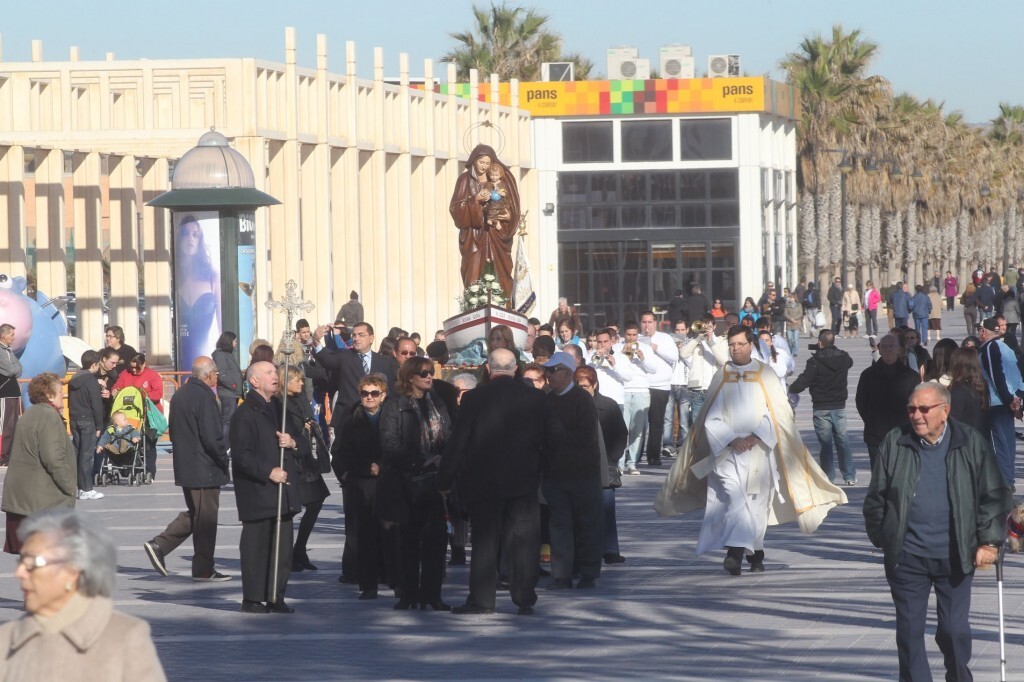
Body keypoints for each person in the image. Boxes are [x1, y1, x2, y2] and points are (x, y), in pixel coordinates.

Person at [655, 326, 847, 574]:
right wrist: (732, 439)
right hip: (726, 454)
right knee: (734, 496)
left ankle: (750, 554)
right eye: (732, 344)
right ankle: (741, 553)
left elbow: (778, 413)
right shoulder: (722, 374)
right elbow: (709, 416)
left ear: (750, 345)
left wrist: (756, 437)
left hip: (758, 453)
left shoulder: (764, 374)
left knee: (755, 505)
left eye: (740, 344)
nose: (736, 349)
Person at [863, 382, 1011, 682]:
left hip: (957, 552)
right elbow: (876, 497)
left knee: (954, 631)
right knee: (908, 631)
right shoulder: (896, 441)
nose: (916, 415)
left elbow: (994, 495)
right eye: (911, 409)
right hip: (908, 556)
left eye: (923, 409)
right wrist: (885, 536)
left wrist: (990, 541)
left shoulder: (970, 442)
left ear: (945, 411)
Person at [0, 509, 166, 680]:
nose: (19, 572)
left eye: (33, 562)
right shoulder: (6, 639)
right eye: (21, 561)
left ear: (72, 571)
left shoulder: (125, 638)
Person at [441, 349, 547, 616]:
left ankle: (482, 599)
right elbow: (551, 437)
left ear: (488, 369)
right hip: (523, 481)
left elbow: (459, 440)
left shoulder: (474, 398)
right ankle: (524, 598)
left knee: (485, 542)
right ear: (516, 369)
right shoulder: (535, 397)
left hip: (484, 481)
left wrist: (445, 477)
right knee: (522, 540)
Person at [143, 357, 231, 582]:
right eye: (216, 373)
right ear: (209, 374)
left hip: (188, 465)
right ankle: (202, 568)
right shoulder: (204, 396)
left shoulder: (181, 394)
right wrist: (223, 459)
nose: (217, 377)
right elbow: (212, 436)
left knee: (198, 515)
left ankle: (160, 546)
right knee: (206, 519)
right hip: (204, 468)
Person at [378, 356, 452, 611]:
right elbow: (389, 446)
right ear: (410, 377)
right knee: (407, 541)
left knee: (436, 541)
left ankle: (433, 594)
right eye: (423, 373)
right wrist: (423, 460)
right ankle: (408, 594)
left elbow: (448, 437)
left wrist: (443, 459)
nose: (429, 376)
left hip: (433, 484)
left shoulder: (437, 403)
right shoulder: (394, 406)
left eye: (431, 372)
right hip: (405, 483)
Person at [230, 361, 302, 614]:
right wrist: (267, 471)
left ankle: (276, 595)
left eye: (275, 371)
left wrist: (292, 441)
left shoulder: (280, 408)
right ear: (255, 381)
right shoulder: (244, 413)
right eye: (269, 373)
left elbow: (300, 441)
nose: (275, 376)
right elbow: (241, 455)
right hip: (258, 491)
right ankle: (252, 598)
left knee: (282, 548)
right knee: (256, 548)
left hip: (283, 490)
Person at [541, 352, 603, 589]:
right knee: (559, 526)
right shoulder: (547, 399)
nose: (548, 376)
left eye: (553, 371)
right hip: (555, 475)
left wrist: (560, 434)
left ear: (567, 373)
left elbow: (587, 437)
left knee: (588, 524)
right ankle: (562, 575)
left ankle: (588, 572)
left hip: (582, 474)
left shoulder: (582, 400)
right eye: (547, 371)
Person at [1, 373, 76, 555]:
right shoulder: (48, 416)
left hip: (24, 501)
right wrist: (70, 487)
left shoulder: (30, 413)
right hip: (42, 503)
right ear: (49, 395)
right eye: (60, 392)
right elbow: (53, 458)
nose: (63, 395)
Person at [336, 374, 390, 600]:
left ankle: (393, 578)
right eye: (365, 393)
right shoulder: (351, 421)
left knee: (389, 532)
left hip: (388, 484)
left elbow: (400, 446)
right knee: (364, 534)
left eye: (374, 393)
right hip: (361, 484)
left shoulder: (392, 418)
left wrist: (384, 467)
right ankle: (368, 584)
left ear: (383, 395)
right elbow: (340, 453)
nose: (369, 397)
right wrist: (354, 472)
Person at [449, 144, 520, 296]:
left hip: (496, 234)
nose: (484, 167)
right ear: (474, 160)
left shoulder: (499, 180)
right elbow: (455, 208)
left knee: (500, 272)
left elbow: (511, 205)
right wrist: (475, 200)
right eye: (481, 162)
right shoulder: (464, 180)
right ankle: (474, 303)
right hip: (474, 236)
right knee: (474, 274)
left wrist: (508, 217)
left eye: (488, 163)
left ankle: (501, 302)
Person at [279, 364, 331, 572]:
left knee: (316, 501)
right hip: (293, 461)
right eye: (297, 380)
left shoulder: (299, 399)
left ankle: (299, 549)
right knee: (291, 508)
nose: (302, 383)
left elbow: (308, 416)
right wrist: (302, 428)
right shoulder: (279, 403)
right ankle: (287, 554)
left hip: (307, 460)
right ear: (285, 382)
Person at [574, 366, 628, 566]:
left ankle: (611, 549)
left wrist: (613, 457)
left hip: (606, 466)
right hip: (580, 466)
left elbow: (621, 433)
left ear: (594, 384)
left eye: (585, 386)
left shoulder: (608, 405)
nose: (582, 390)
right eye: (578, 386)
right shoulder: (573, 405)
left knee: (607, 508)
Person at [788, 330, 857, 486]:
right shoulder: (843, 358)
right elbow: (850, 362)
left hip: (821, 407)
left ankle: (828, 477)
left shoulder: (814, 361)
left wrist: (791, 389)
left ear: (820, 343)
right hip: (839, 405)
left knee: (826, 444)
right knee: (842, 440)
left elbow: (803, 381)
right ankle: (849, 475)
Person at [855, 334, 920, 470]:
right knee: (879, 477)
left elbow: (917, 403)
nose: (888, 350)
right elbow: (861, 402)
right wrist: (871, 421)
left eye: (892, 346)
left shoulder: (911, 376)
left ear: (899, 349)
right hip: (876, 436)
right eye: (884, 346)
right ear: (880, 349)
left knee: (901, 476)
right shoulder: (868, 375)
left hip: (903, 435)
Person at [977, 317, 1024, 487]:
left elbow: (996, 375)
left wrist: (1009, 400)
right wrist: (1018, 399)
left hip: (997, 403)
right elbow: (1018, 375)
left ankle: (1004, 482)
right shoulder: (1006, 348)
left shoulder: (991, 348)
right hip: (1008, 401)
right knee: (1007, 443)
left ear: (983, 331)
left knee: (999, 445)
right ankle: (1008, 480)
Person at [175, 215, 221, 367]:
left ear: (201, 239)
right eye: (185, 233)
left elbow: (222, 326)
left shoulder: (212, 276)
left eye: (195, 234)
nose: (190, 239)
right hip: (181, 360)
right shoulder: (174, 276)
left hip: (206, 359)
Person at [111, 353, 163, 483]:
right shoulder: (125, 373)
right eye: (132, 367)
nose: (134, 370)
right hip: (130, 416)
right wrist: (115, 390)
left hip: (148, 415)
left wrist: (142, 394)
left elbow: (158, 393)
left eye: (137, 368)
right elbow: (117, 386)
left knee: (148, 445)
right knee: (127, 443)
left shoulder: (152, 375)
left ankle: (149, 472)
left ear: (144, 364)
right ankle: (130, 469)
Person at [68, 350, 105, 501]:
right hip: (88, 420)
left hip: (74, 419)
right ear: (94, 364)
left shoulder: (74, 378)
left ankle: (77, 487)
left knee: (77, 454)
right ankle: (86, 489)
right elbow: (96, 404)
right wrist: (99, 425)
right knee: (86, 455)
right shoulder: (91, 380)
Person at [948, 347, 990, 438]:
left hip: (966, 441)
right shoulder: (981, 385)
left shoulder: (958, 390)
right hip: (981, 439)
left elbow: (953, 420)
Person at [212, 331, 243, 443]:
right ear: (229, 341)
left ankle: (228, 443)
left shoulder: (227, 354)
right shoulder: (220, 354)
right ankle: (225, 445)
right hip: (228, 392)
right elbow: (222, 374)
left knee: (230, 419)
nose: (236, 344)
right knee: (227, 420)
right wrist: (234, 385)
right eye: (234, 341)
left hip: (232, 392)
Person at [0, 323, 23, 467]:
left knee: (14, 425)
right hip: (4, 393)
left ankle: (9, 455)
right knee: (5, 426)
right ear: (4, 335)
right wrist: (14, 368)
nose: (14, 337)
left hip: (14, 392)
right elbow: (9, 371)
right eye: (12, 334)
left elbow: (19, 369)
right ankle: (3, 456)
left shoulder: (10, 351)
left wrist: (15, 368)